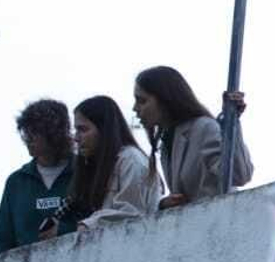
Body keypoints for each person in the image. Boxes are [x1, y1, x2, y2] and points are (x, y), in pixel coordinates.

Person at [133, 66, 253, 208]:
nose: (135, 108)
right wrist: (164, 205)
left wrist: (231, 122)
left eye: (142, 101)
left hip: (219, 223)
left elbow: (238, 175)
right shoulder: (168, 143)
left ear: (165, 99)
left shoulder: (203, 128)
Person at [58, 95, 164, 229]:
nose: (76, 138)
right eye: (76, 130)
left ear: (104, 129)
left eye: (83, 129)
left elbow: (132, 213)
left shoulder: (131, 160)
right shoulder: (102, 164)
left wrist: (88, 225)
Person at [0, 98, 77, 253]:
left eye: (34, 133)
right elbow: (3, 240)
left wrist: (64, 231)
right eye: (26, 133)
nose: (27, 139)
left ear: (54, 134)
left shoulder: (85, 172)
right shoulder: (16, 182)